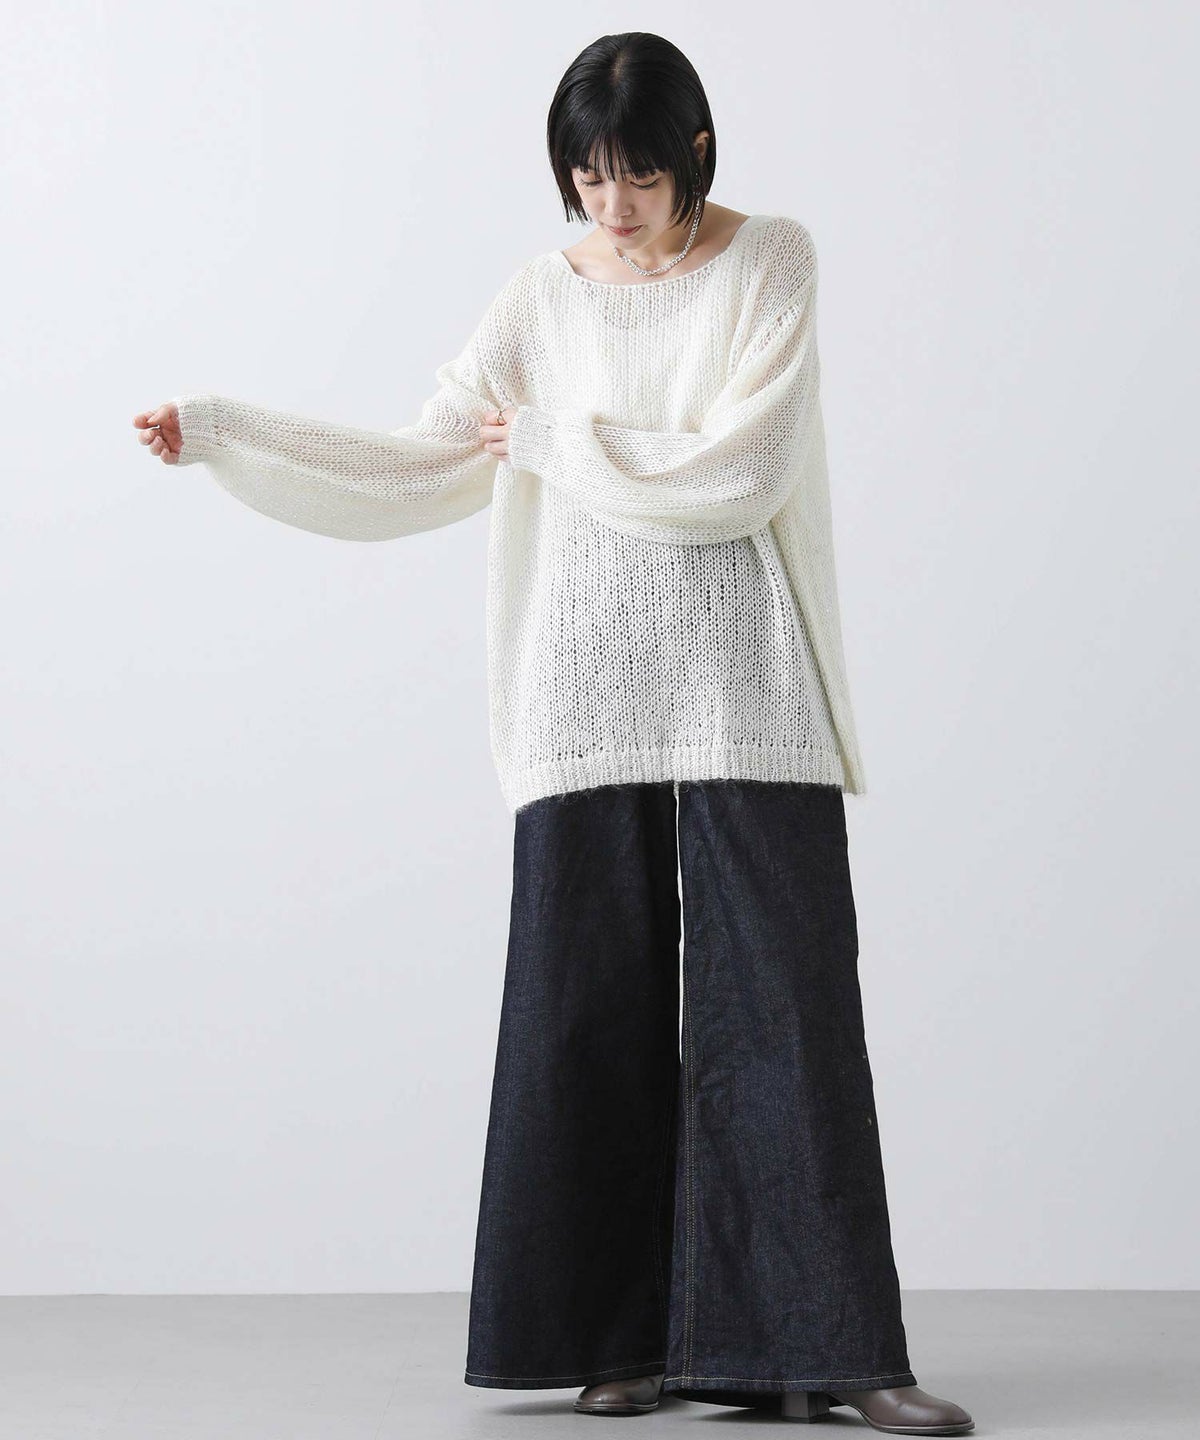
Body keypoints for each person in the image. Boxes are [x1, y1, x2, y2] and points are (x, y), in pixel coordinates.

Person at [132, 29, 974, 1436]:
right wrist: (225, 431)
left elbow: (739, 473)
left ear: (694, 150)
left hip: (748, 690)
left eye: (637, 175)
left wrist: (555, 442)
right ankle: (614, 1335)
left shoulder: (771, 262)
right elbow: (423, 463)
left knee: (789, 1015)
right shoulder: (541, 297)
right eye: (588, 178)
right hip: (580, 697)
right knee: (584, 1014)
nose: (612, 205)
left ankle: (834, 1349)